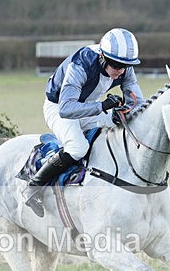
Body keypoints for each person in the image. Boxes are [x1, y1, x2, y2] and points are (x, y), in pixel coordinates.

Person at [24, 28, 146, 217]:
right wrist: (103, 105)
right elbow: (67, 109)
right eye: (115, 65)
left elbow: (137, 103)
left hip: (87, 106)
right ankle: (33, 186)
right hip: (59, 107)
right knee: (78, 148)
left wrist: (122, 113)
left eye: (125, 65)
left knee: (113, 133)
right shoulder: (81, 64)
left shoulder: (124, 67)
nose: (120, 70)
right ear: (103, 57)